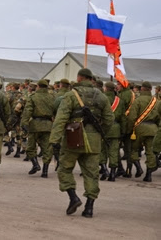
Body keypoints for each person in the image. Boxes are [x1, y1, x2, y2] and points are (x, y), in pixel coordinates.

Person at [49, 68, 114, 218]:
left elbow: (61, 119)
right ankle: (89, 208)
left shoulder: (71, 95)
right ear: (91, 79)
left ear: (79, 78)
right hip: (94, 140)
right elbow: (109, 119)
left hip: (73, 137)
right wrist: (98, 131)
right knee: (92, 174)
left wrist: (55, 140)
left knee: (64, 169)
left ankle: (73, 198)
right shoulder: (102, 97)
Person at [21, 79, 56, 178]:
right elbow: (56, 111)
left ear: (38, 86)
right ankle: (45, 171)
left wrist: (24, 123)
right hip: (48, 125)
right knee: (47, 149)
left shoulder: (33, 97)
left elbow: (28, 111)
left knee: (30, 147)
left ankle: (35, 164)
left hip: (35, 125)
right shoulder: (52, 97)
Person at [127, 81, 161, 182]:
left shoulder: (137, 100)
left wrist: (129, 130)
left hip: (139, 128)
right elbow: (159, 117)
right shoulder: (157, 101)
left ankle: (138, 168)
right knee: (150, 152)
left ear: (142, 89)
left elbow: (132, 117)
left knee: (133, 149)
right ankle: (148, 174)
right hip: (153, 129)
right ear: (150, 89)